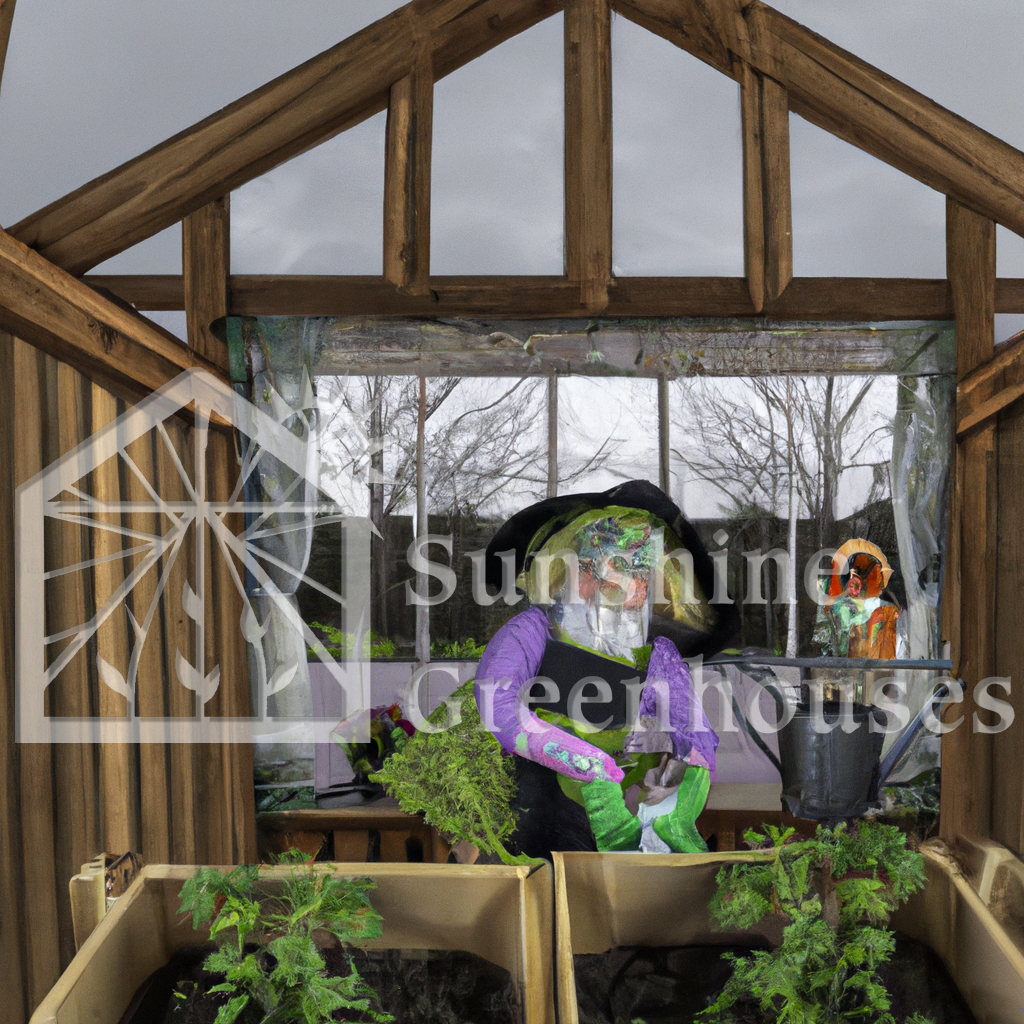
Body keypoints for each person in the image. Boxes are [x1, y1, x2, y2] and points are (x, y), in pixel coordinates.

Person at [475, 480, 740, 859]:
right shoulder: (532, 631)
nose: (621, 583)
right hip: (536, 814)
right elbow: (498, 706)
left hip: (621, 820)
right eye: (601, 565)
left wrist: (675, 759)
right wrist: (587, 762)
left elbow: (697, 733)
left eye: (639, 568)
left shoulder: (658, 654)